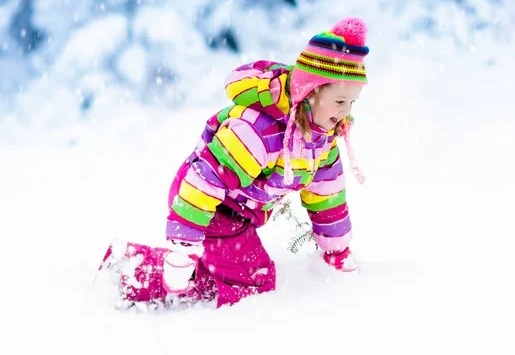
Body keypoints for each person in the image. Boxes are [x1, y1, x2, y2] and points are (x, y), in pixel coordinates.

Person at [120, 17, 370, 308]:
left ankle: (139, 269)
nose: (345, 113)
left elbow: (327, 195)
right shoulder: (259, 132)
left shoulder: (321, 137)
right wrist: (183, 249)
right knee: (254, 280)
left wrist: (336, 250)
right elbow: (206, 180)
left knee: (238, 270)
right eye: (340, 102)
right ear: (310, 91)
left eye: (352, 103)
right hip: (208, 204)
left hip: (240, 212)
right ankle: (136, 273)